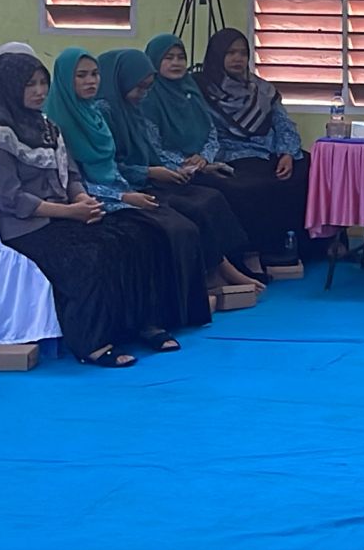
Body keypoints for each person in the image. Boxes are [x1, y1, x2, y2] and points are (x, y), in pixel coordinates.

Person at [0, 53, 162, 367]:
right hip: (24, 228)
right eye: (30, 84)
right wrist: (69, 212)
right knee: (88, 256)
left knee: (132, 237)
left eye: (44, 83)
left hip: (61, 215)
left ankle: (137, 324)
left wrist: (81, 199)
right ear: (10, 87)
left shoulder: (47, 126)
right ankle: (91, 343)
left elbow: (70, 174)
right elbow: (10, 199)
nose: (40, 91)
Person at [45, 48, 211, 337]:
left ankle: (170, 314)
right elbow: (72, 180)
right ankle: (143, 322)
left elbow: (112, 168)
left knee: (177, 225)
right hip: (92, 200)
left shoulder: (95, 114)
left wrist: (128, 191)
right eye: (81, 76)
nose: (90, 81)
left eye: (94, 74)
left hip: (120, 190)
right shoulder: (57, 123)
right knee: (151, 233)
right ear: (64, 80)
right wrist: (123, 197)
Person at [98, 48, 263, 291]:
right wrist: (154, 171)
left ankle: (226, 268)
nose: (143, 94)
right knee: (194, 209)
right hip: (130, 186)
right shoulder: (107, 112)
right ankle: (216, 274)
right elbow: (112, 166)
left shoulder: (136, 107)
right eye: (139, 88)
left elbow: (157, 148)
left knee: (211, 198)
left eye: (147, 88)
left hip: (155, 175)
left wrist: (194, 164)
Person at [139, 33, 272, 284]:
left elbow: (211, 132)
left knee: (241, 185)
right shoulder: (148, 98)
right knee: (224, 192)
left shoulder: (190, 89)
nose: (176, 63)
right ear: (154, 61)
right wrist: (187, 164)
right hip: (171, 170)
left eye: (181, 57)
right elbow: (152, 147)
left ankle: (243, 257)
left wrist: (204, 157)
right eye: (168, 58)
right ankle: (226, 266)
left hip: (201, 163)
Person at [196, 28, 313, 266]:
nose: (237, 59)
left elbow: (282, 122)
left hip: (268, 149)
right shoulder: (203, 90)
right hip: (229, 152)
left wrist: (287, 153)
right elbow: (205, 132)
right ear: (217, 55)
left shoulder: (261, 89)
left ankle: (312, 246)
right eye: (230, 53)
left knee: (310, 167)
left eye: (242, 53)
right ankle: (264, 249)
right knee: (256, 183)